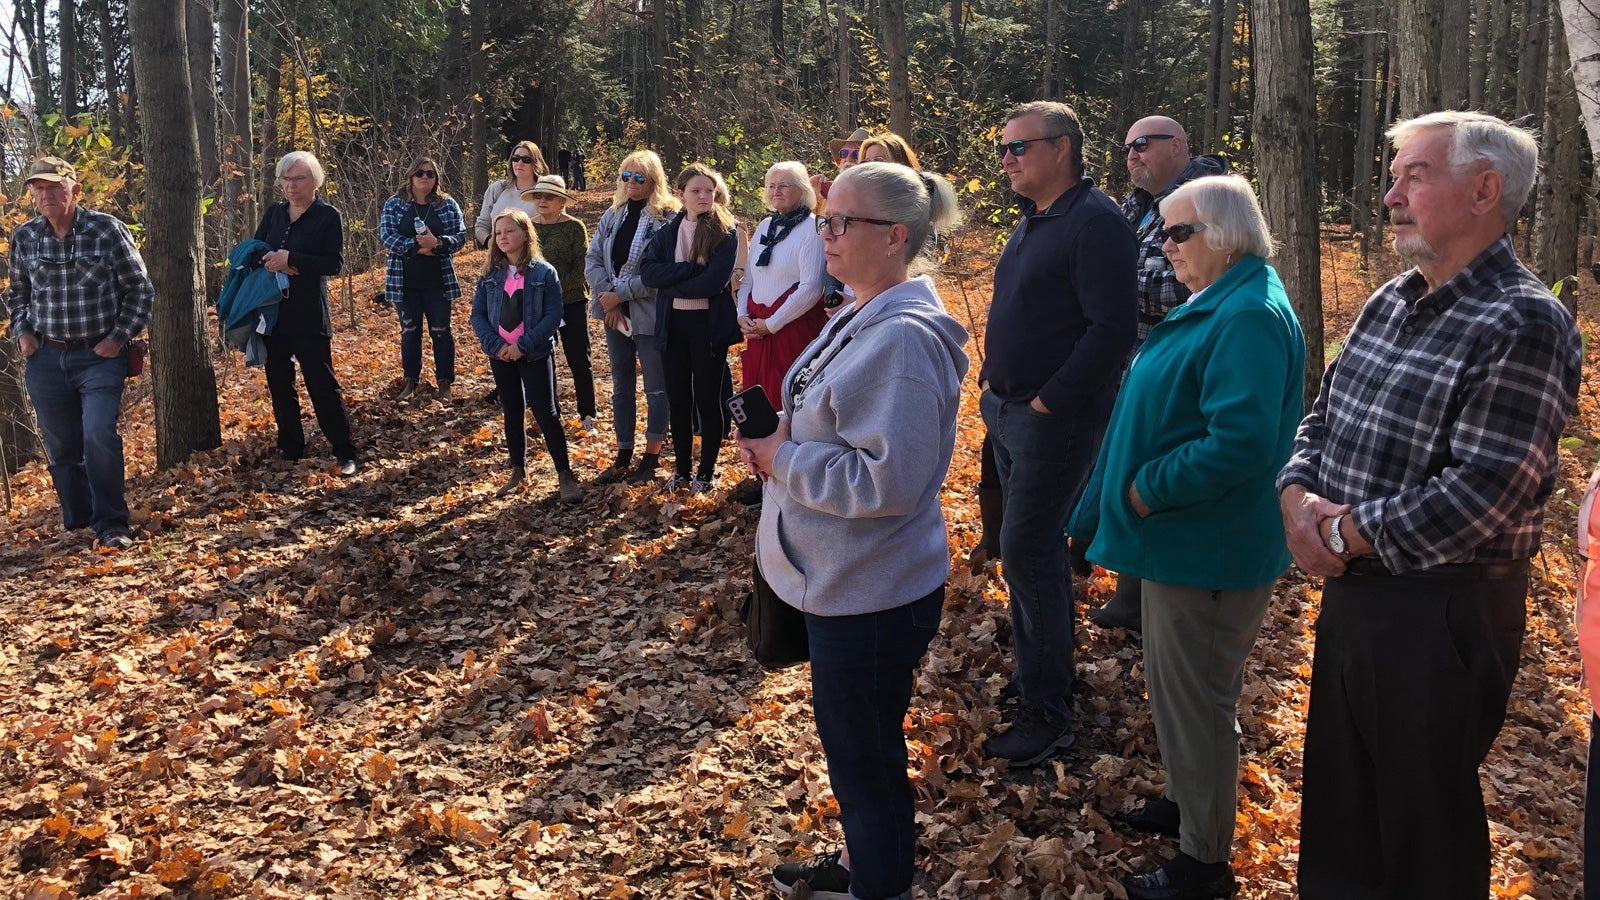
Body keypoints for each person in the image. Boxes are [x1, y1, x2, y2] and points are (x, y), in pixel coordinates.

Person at [1278, 111, 1581, 898]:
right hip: (1359, 593)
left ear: (1485, 190)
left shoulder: (1523, 318)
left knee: (1420, 838)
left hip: (1441, 611)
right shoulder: (1390, 299)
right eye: (1396, 176)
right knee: (1343, 818)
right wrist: (1296, 495)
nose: (1390, 196)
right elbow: (1323, 413)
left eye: (1415, 175)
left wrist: (1340, 532)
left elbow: (1485, 491)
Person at [737, 161, 968, 900]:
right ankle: (864, 865)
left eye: (840, 223)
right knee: (857, 751)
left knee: (865, 759)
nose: (824, 235)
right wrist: (779, 438)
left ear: (896, 236)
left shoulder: (903, 340)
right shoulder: (863, 309)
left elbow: (887, 482)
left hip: (871, 593)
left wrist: (783, 457)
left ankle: (881, 884)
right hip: (842, 579)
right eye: (823, 221)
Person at [1069, 175, 1303, 899]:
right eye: (1160, 232)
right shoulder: (1218, 300)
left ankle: (1204, 863)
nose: (1161, 247)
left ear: (1226, 234)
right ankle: (1187, 803)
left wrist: (1145, 489)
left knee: (1198, 702)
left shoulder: (1248, 316)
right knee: (1180, 696)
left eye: (1177, 233)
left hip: (1207, 545)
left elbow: (1238, 442)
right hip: (1181, 541)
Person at [980, 100, 1137, 765]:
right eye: (1004, 149)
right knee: (1025, 555)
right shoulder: (1034, 220)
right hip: (1007, 409)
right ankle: (1036, 675)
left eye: (1020, 148)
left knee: (1030, 553)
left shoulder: (1096, 224)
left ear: (1063, 148)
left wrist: (1048, 403)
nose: (1008, 160)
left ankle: (1049, 714)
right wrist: (993, 386)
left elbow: (1111, 330)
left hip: (1054, 421)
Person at [1088, 115, 1229, 632]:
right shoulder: (1139, 204)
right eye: (1127, 147)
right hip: (1136, 356)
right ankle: (1131, 590)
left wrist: (1107, 295)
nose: (1132, 156)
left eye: (1143, 145)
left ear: (1178, 146)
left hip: (1179, 357)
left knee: (1161, 469)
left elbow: (1180, 289)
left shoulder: (1203, 201)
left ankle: (1154, 596)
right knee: (1127, 462)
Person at [7, 156, 153, 549]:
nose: (46, 195)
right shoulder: (25, 237)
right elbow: (17, 292)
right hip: (46, 359)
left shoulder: (106, 230)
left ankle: (111, 525)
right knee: (62, 446)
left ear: (75, 190)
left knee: (98, 435)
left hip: (99, 357)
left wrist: (118, 339)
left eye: (55, 187)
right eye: (38, 188)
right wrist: (23, 333)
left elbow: (140, 290)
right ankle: (78, 523)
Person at [254, 151, 359, 476]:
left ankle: (344, 451)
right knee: (279, 383)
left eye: (297, 178)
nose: (290, 185)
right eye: (285, 179)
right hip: (272, 314)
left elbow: (334, 263)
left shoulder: (328, 216)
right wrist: (268, 260)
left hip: (309, 315)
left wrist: (293, 259)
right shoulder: (274, 213)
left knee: (321, 383)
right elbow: (256, 248)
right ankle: (291, 448)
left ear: (314, 180)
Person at [469, 210, 584, 503]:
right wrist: (495, 345)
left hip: (534, 354)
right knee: (512, 411)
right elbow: (478, 316)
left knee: (546, 413)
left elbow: (552, 315)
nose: (503, 237)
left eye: (509, 231)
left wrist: (524, 345)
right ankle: (518, 469)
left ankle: (564, 474)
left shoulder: (544, 273)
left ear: (526, 234)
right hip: (501, 356)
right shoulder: (489, 276)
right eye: (498, 233)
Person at [640, 162, 741, 494]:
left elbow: (712, 283)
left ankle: (706, 473)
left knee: (708, 401)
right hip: (674, 326)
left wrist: (672, 280)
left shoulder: (727, 232)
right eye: (696, 191)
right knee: (678, 400)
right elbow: (649, 273)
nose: (703, 196)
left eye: (709, 191)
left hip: (708, 328)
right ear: (681, 195)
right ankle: (682, 470)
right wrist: (686, 269)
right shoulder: (668, 231)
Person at [585, 150, 679, 484]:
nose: (632, 184)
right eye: (626, 176)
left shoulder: (669, 218)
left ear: (654, 180)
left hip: (650, 313)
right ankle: (623, 453)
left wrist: (621, 294)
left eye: (639, 177)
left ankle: (651, 456)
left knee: (656, 387)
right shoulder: (613, 215)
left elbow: (664, 273)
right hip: (615, 315)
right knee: (621, 386)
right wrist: (609, 300)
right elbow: (593, 259)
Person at [736, 161, 827, 403]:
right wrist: (742, 315)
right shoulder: (766, 226)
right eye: (772, 185)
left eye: (784, 185)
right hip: (757, 332)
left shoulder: (813, 228)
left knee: (786, 403)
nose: (776, 191)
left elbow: (812, 287)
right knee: (758, 403)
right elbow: (748, 279)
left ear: (803, 190)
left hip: (792, 334)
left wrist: (772, 324)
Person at [379, 156, 466, 401]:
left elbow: (460, 235)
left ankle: (445, 383)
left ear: (436, 178)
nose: (425, 178)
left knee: (441, 331)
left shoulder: (447, 205)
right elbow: (386, 235)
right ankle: (410, 380)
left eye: (430, 174)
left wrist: (437, 244)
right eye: (420, 173)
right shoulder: (395, 204)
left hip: (438, 281)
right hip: (404, 281)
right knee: (410, 332)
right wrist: (417, 247)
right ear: (410, 176)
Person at [525, 175, 596, 433]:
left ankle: (588, 414)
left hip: (573, 301)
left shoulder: (575, 227)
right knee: (542, 358)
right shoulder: (527, 227)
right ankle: (548, 413)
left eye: (549, 196)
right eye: (538, 196)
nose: (542, 201)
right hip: (537, 305)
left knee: (579, 359)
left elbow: (583, 267)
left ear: (562, 201)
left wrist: (553, 288)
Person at [474, 140, 548, 246]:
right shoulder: (498, 189)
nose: (519, 163)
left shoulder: (546, 192)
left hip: (535, 258)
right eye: (515, 158)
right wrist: (490, 244)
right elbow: (482, 225)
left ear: (536, 163)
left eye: (526, 159)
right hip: (499, 259)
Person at [810, 127, 868, 216]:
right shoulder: (822, 191)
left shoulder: (872, 199)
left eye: (857, 154)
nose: (849, 159)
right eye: (844, 153)